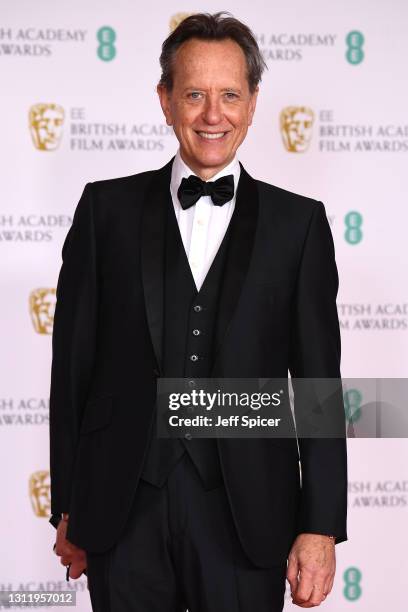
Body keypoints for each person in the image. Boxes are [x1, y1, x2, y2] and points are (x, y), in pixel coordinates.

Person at [49, 12, 347, 611]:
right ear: (165, 101)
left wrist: (320, 525)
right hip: (122, 508)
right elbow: (72, 371)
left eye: (230, 95)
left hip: (248, 515)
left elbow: (317, 386)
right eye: (194, 94)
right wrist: (68, 505)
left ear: (254, 102)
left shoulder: (300, 225)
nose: (214, 114)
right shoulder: (104, 212)